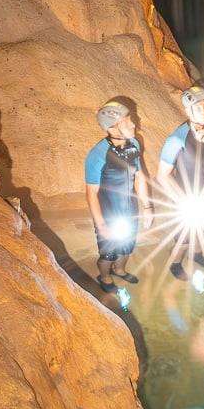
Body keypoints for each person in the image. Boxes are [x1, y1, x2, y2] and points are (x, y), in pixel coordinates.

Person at [157, 85, 204, 282]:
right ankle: (175, 262)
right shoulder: (177, 140)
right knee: (184, 237)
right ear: (187, 111)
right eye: (198, 108)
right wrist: (184, 202)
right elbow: (162, 176)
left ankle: (196, 254)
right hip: (185, 197)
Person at [83, 100, 150, 293]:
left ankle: (120, 270)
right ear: (112, 127)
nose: (133, 124)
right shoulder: (98, 155)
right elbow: (91, 194)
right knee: (108, 254)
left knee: (128, 246)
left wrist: (147, 208)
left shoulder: (134, 144)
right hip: (108, 214)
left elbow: (139, 176)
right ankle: (104, 275)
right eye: (127, 121)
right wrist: (101, 225)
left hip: (129, 209)